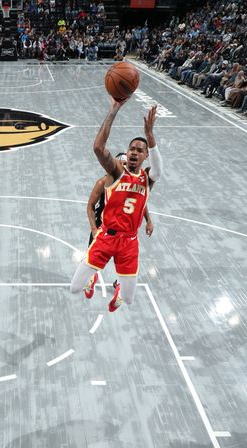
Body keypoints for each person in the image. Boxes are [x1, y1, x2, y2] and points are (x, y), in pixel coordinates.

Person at [70, 101, 162, 312]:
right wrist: (113, 109)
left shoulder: (147, 179)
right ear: (124, 156)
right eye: (131, 149)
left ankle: (120, 288)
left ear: (145, 156)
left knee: (129, 299)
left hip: (129, 241)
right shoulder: (113, 175)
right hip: (105, 234)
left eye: (140, 150)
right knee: (75, 287)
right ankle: (91, 277)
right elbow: (98, 148)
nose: (134, 153)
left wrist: (150, 137)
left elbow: (155, 178)